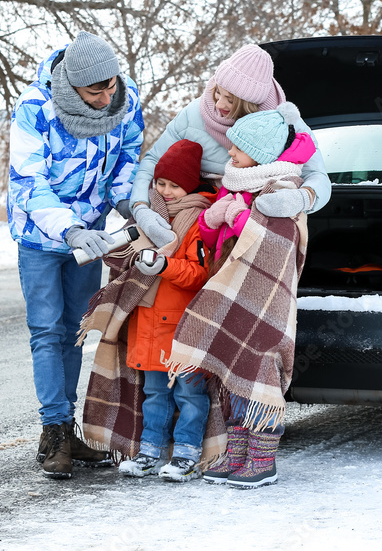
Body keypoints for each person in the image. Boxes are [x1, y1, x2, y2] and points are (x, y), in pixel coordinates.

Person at [8, 31, 144, 479]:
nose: (107, 97)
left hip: (92, 239)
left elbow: (127, 157)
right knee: (46, 332)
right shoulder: (35, 109)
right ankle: (54, 432)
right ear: (71, 86)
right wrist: (67, 228)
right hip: (43, 236)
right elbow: (28, 181)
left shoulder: (125, 100)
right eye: (95, 91)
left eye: (111, 86)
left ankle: (68, 431)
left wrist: (127, 203)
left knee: (73, 332)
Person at [165, 101, 316, 489]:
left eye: (237, 148)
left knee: (259, 366)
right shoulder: (235, 185)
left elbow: (277, 242)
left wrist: (237, 217)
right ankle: (237, 451)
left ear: (261, 154)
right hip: (229, 287)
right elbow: (215, 242)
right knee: (232, 369)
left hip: (264, 296)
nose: (228, 153)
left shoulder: (281, 188)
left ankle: (263, 459)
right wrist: (212, 221)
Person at [128, 44, 331, 249]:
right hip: (198, 214)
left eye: (230, 100)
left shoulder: (284, 125)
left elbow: (318, 175)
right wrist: (140, 207)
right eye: (218, 92)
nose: (218, 105)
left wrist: (302, 198)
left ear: (250, 104)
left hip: (256, 213)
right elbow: (153, 160)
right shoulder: (193, 115)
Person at [113, 140, 218, 483]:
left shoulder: (198, 222)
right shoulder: (147, 216)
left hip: (182, 327)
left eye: (175, 185)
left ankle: (186, 454)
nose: (166, 191)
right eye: (161, 183)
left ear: (191, 185)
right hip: (148, 324)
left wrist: (162, 266)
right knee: (154, 393)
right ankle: (149, 452)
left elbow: (199, 274)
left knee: (189, 392)